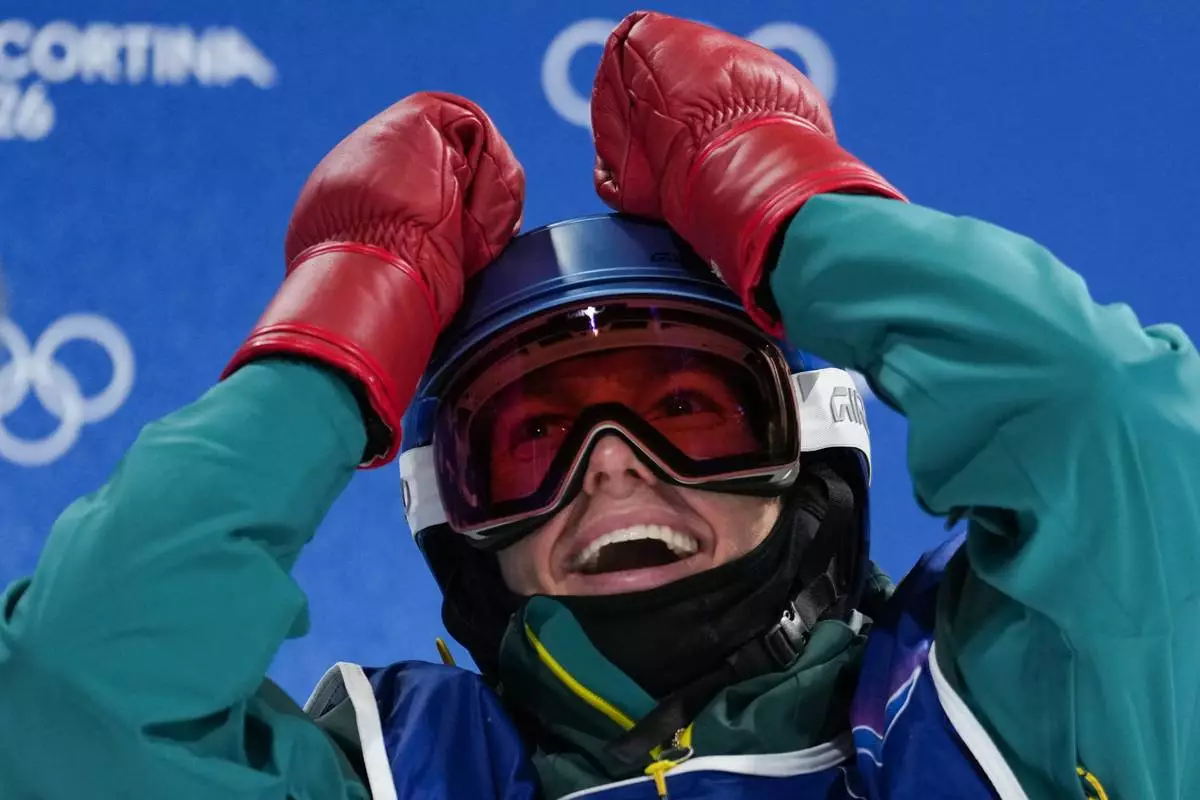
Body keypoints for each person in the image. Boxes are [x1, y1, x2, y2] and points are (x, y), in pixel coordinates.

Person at [1, 10, 1197, 799]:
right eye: (535, 438)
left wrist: (786, 203)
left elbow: (1116, 425)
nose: (615, 465)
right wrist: (341, 326)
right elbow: (71, 690)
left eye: (687, 407)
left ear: (804, 453)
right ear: (466, 527)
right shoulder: (404, 773)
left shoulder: (1003, 713)